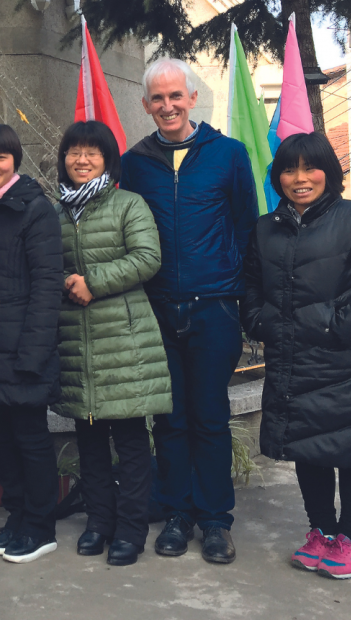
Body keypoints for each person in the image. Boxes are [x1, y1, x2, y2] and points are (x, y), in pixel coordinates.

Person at [242, 132, 351, 579]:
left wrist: (328, 321)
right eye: (288, 169)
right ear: (277, 176)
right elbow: (250, 289)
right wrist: (262, 323)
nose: (299, 178)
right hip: (291, 361)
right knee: (307, 448)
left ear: (329, 171)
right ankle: (320, 531)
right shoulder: (265, 227)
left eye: (309, 168)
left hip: (346, 361)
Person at [120, 58, 258, 564]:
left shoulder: (227, 154)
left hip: (214, 307)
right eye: (157, 98)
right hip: (156, 307)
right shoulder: (133, 162)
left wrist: (235, 292)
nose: (168, 106)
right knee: (170, 419)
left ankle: (216, 521)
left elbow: (246, 225)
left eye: (176, 96)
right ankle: (177, 515)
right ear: (146, 105)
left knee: (210, 418)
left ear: (191, 98)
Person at [53, 121, 172, 567]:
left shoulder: (128, 204)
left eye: (92, 152)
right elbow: (40, 261)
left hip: (124, 340)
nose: (81, 160)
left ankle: (131, 528)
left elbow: (147, 258)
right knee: (88, 440)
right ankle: (99, 523)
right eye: (74, 151)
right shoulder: (56, 211)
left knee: (131, 441)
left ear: (107, 160)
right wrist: (66, 281)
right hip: (74, 341)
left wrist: (94, 283)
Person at [0, 124, 62, 564]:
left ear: (14, 161)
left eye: (1, 157)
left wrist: (33, 352)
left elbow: (47, 284)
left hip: (22, 347)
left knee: (30, 438)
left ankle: (41, 525)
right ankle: (18, 514)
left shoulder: (33, 208)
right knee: (0, 439)